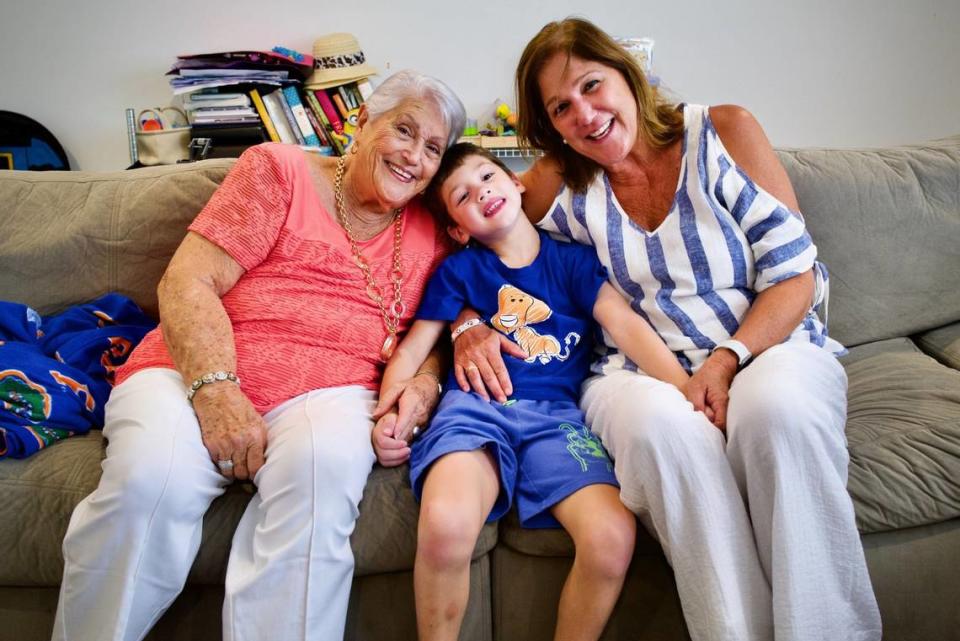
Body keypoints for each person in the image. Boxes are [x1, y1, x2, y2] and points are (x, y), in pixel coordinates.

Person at [451, 18, 882, 641]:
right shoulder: (557, 179)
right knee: (662, 432)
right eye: (561, 108)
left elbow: (798, 275)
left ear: (627, 74)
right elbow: (464, 242)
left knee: (778, 414)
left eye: (592, 85)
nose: (586, 114)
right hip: (635, 372)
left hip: (763, 348)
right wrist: (466, 322)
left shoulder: (723, 130)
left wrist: (727, 359)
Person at [52, 70, 466, 641]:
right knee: (148, 481)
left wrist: (424, 386)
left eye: (433, 149)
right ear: (363, 121)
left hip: (333, 389)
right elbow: (188, 282)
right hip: (193, 372)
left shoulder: (439, 227)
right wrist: (216, 389)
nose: (413, 156)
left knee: (324, 474)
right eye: (404, 130)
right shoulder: (279, 170)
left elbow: (440, 334)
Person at [370, 142, 689, 641]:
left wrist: (688, 390)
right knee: (447, 523)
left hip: (558, 420)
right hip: (474, 411)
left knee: (611, 537)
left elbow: (624, 325)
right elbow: (413, 350)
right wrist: (390, 414)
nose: (482, 192)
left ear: (517, 182)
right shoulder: (459, 271)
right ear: (458, 229)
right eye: (462, 195)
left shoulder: (574, 262)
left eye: (487, 177)